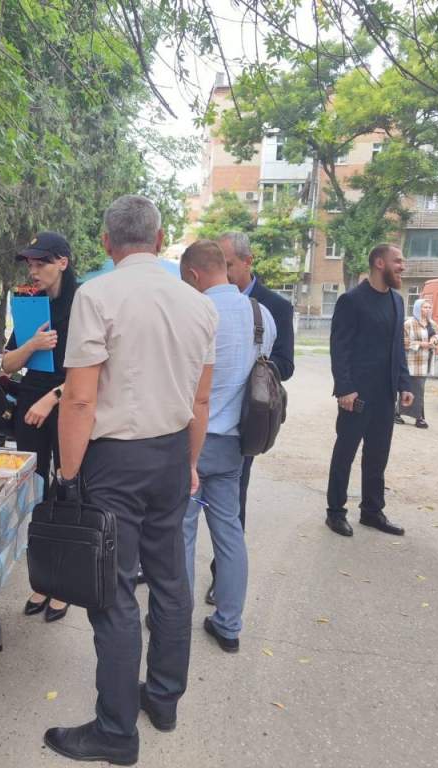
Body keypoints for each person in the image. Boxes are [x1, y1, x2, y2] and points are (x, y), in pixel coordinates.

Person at [44, 195, 217, 766]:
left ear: (105, 242)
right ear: (161, 239)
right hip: (171, 452)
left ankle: (116, 731)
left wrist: (69, 477)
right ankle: (163, 699)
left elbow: (80, 398)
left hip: (115, 461)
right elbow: (200, 400)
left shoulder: (98, 296)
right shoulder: (199, 304)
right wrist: (188, 462)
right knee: (169, 579)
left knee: (114, 592)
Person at [180, 240, 275, 654]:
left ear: (194, 274)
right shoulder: (261, 315)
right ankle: (229, 625)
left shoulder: (195, 312)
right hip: (236, 442)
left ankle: (175, 618)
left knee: (181, 531)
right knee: (230, 533)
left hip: (191, 439)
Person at [207, 231, 296, 605]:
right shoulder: (206, 302)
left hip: (245, 420)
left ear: (248, 261)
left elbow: (286, 365)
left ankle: (221, 579)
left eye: (228, 264)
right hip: (204, 419)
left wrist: (253, 364)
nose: (222, 271)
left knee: (232, 509)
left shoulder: (275, 307)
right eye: (218, 263)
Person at [1, 231, 78, 623]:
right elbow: (7, 364)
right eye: (30, 264)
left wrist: (55, 397)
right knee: (35, 489)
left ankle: (65, 583)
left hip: (70, 402)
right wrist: (32, 345)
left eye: (41, 263)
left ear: (62, 262)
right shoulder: (30, 302)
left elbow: (98, 370)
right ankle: (42, 579)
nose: (33, 271)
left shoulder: (84, 304)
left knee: (66, 489)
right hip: (30, 402)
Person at [325, 244, 414, 538]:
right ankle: (335, 512)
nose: (402, 266)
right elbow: (340, 348)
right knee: (345, 454)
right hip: (357, 396)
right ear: (379, 263)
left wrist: (404, 382)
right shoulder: (352, 301)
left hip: (385, 394)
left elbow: (397, 347)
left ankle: (372, 511)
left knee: (378, 455)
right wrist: (345, 388)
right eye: (397, 261)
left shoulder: (397, 301)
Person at [398, 298, 438, 429]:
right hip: (411, 362)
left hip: (425, 363)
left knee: (419, 390)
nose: (428, 310)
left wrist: (435, 338)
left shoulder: (431, 323)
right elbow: (402, 342)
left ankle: (412, 416)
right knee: (408, 388)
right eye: (425, 307)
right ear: (417, 308)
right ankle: (415, 417)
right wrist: (421, 344)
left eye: (429, 307)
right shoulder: (409, 323)